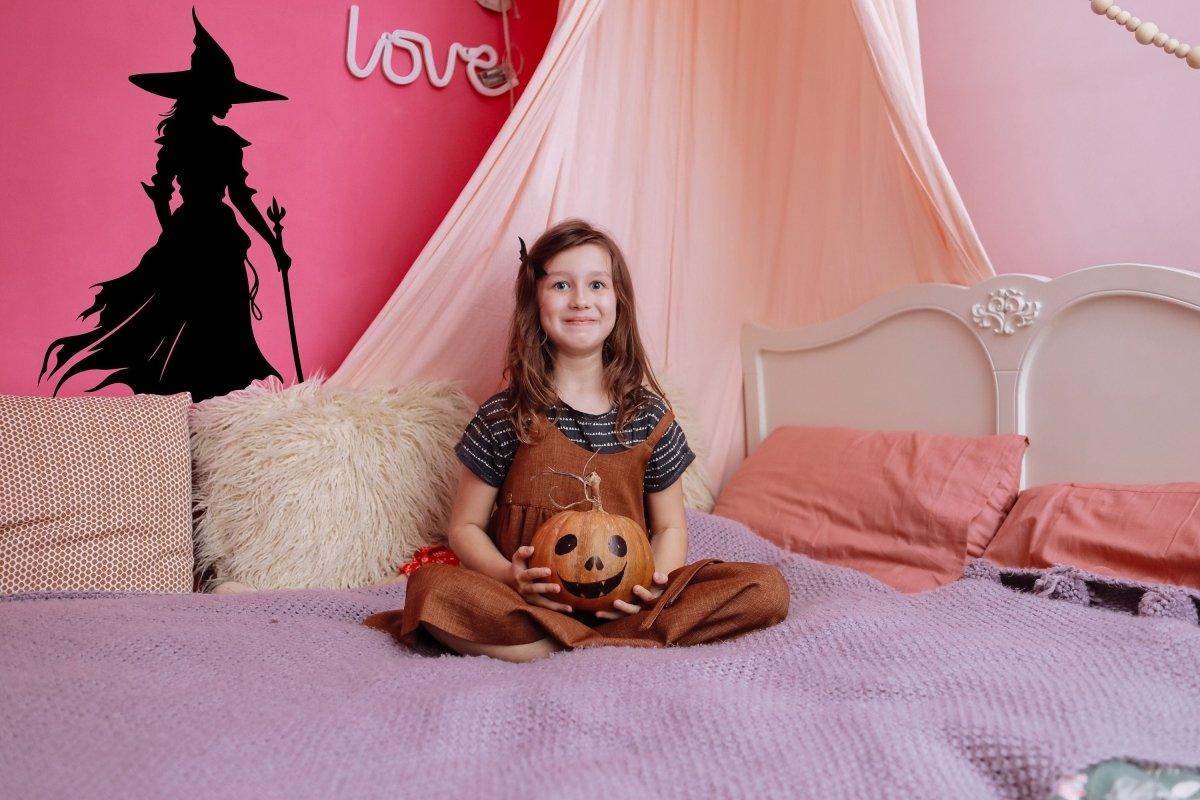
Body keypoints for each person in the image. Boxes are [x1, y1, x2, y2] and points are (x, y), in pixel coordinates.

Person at [364, 219, 789, 661]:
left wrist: (649, 588)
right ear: (535, 301)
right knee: (431, 588)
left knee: (765, 589)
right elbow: (465, 527)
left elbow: (669, 528)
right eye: (561, 285)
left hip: (626, 605)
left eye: (597, 285)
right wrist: (511, 578)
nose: (581, 300)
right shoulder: (506, 415)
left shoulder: (649, 417)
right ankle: (590, 643)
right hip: (528, 604)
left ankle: (564, 645)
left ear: (619, 301)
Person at [39, 10, 289, 402]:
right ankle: (198, 401)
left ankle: (206, 402)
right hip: (208, 237)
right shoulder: (219, 142)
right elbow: (234, 198)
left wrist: (175, 232)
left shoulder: (188, 139)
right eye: (225, 94)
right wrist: (273, 246)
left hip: (195, 235)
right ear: (207, 95)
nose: (230, 102)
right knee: (203, 322)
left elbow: (167, 195)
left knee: (210, 322)